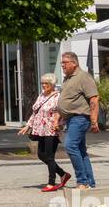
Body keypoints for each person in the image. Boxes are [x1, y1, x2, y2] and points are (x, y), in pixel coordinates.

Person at [57, 51, 100, 189]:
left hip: (80, 118)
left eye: (65, 62)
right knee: (80, 151)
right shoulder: (68, 78)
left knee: (70, 146)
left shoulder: (83, 77)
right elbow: (69, 100)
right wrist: (61, 118)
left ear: (74, 63)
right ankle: (89, 182)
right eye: (61, 62)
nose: (62, 65)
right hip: (71, 119)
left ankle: (82, 181)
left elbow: (94, 99)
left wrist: (94, 121)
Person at [20, 73, 68, 191]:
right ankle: (63, 174)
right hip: (40, 130)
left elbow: (62, 114)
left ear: (52, 85)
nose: (44, 85)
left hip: (51, 130)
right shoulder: (41, 95)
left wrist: (60, 125)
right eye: (42, 83)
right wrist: (28, 126)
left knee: (49, 157)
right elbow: (35, 112)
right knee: (41, 155)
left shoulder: (58, 97)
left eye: (46, 83)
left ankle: (51, 183)